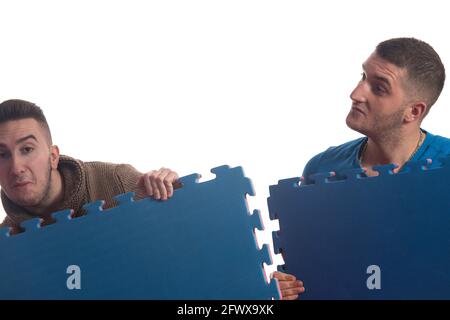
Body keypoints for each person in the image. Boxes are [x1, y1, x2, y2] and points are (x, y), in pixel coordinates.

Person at [273, 37, 450, 300]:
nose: (356, 94)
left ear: (413, 111)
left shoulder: (444, 166)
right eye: (363, 76)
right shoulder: (321, 169)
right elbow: (305, 271)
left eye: (378, 88)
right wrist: (283, 286)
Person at [0, 99, 181, 235]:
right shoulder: (6, 241)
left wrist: (173, 188)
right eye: (2, 155)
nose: (16, 168)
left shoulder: (118, 182)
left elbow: (182, 229)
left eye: (27, 149)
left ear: (53, 157)